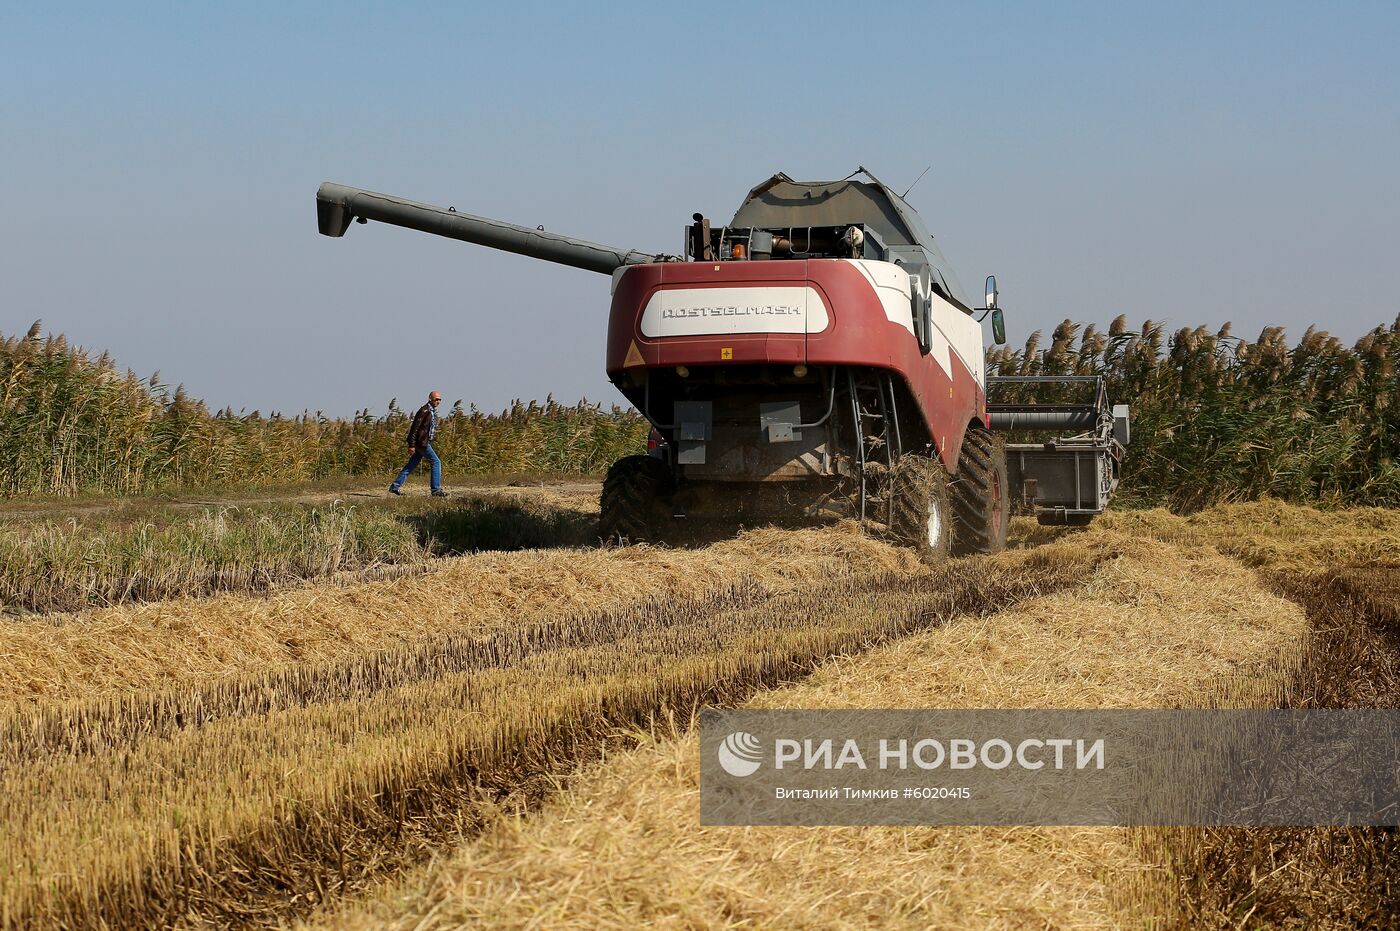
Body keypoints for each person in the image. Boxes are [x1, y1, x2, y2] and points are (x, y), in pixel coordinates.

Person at [389, 391, 449, 497]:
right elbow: (414, 428)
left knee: (411, 465)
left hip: (424, 442)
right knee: (436, 462)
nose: (438, 402)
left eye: (440, 399)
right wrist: (411, 445)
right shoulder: (424, 410)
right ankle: (436, 490)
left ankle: (395, 486)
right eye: (436, 399)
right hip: (422, 443)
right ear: (430, 399)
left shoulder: (431, 411)